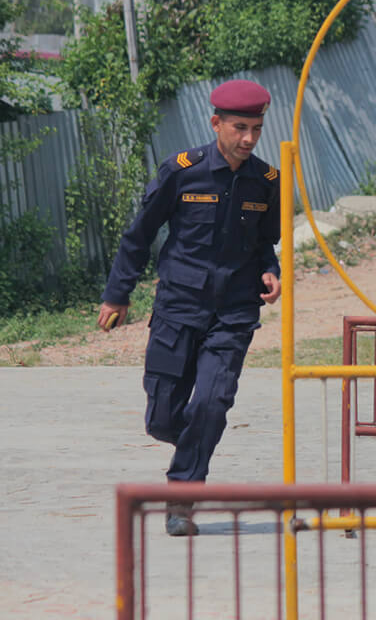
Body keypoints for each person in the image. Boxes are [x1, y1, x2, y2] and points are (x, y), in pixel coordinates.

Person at [97, 79, 282, 536]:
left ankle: (182, 498)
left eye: (257, 129)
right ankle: (197, 443)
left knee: (213, 402)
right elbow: (139, 235)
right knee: (162, 418)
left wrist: (270, 270)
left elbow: (265, 243)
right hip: (178, 308)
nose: (249, 139)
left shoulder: (267, 180)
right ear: (215, 122)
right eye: (240, 128)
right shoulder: (183, 171)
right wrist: (118, 294)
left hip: (234, 312)